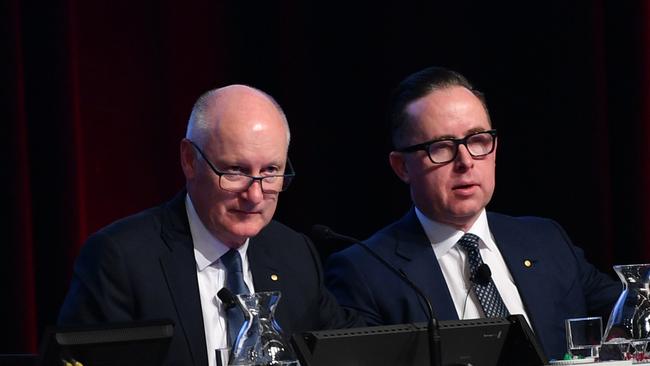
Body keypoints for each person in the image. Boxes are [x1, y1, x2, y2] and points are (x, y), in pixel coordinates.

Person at [324, 67, 621, 360]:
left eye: (477, 140)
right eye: (441, 147)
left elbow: (624, 313)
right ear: (402, 167)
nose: (465, 161)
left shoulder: (546, 240)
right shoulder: (365, 273)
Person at [58, 85, 361, 366]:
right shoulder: (121, 260)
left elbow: (343, 354)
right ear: (189, 160)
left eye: (271, 171)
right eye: (235, 171)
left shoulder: (295, 254)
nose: (255, 195)